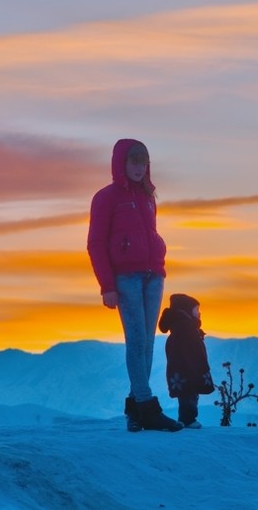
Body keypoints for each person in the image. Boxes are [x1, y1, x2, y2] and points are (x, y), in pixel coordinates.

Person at [87, 138, 182, 432]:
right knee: (137, 340)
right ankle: (147, 406)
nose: (139, 168)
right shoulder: (106, 197)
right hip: (125, 278)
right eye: (134, 161)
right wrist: (107, 286)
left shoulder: (147, 197)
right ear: (121, 163)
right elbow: (96, 243)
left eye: (143, 162)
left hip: (154, 275)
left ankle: (134, 408)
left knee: (149, 343)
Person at [158, 293, 215, 429]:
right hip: (189, 370)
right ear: (186, 311)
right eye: (196, 310)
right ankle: (188, 419)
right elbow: (192, 352)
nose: (199, 313)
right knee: (189, 394)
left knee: (187, 394)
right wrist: (200, 368)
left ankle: (187, 418)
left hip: (181, 371)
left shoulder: (181, 329)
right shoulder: (186, 330)